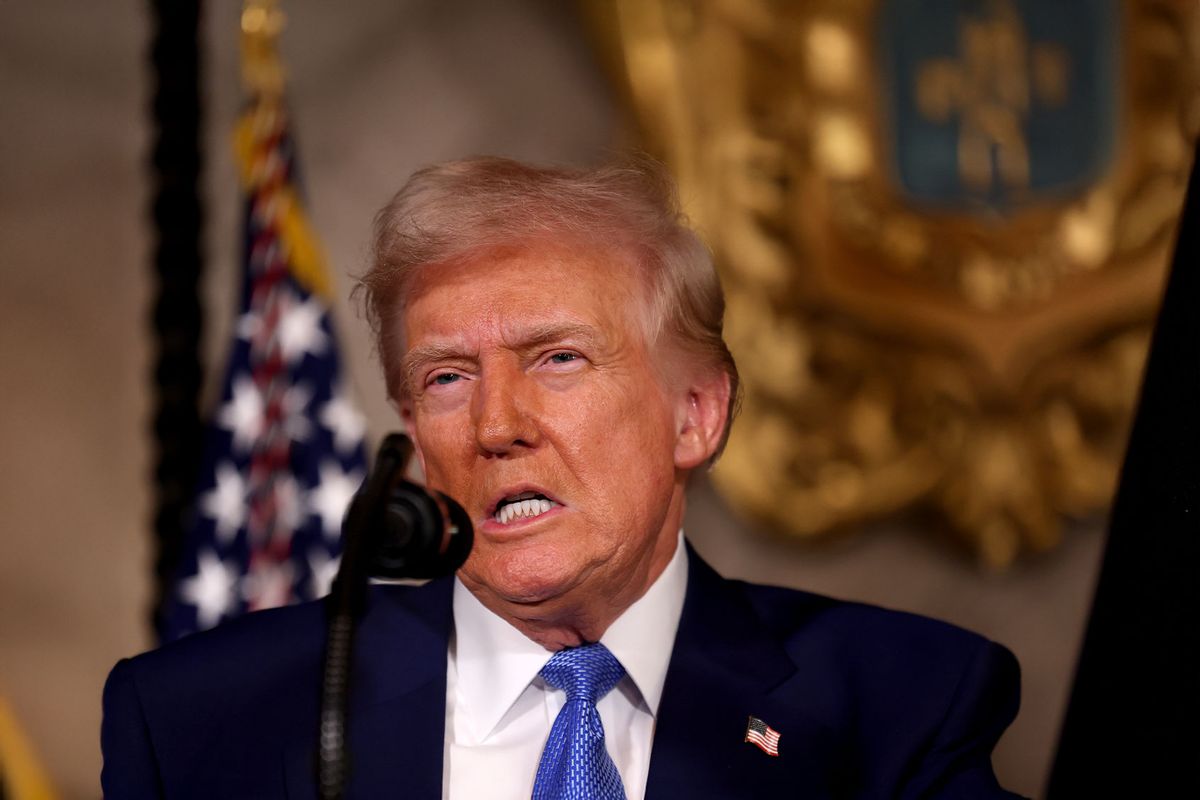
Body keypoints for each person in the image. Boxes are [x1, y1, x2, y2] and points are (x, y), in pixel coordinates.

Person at [102, 156, 1023, 798]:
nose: (498, 426)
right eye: (448, 378)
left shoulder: (896, 706)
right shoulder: (201, 721)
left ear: (695, 415)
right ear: (415, 432)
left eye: (558, 360)